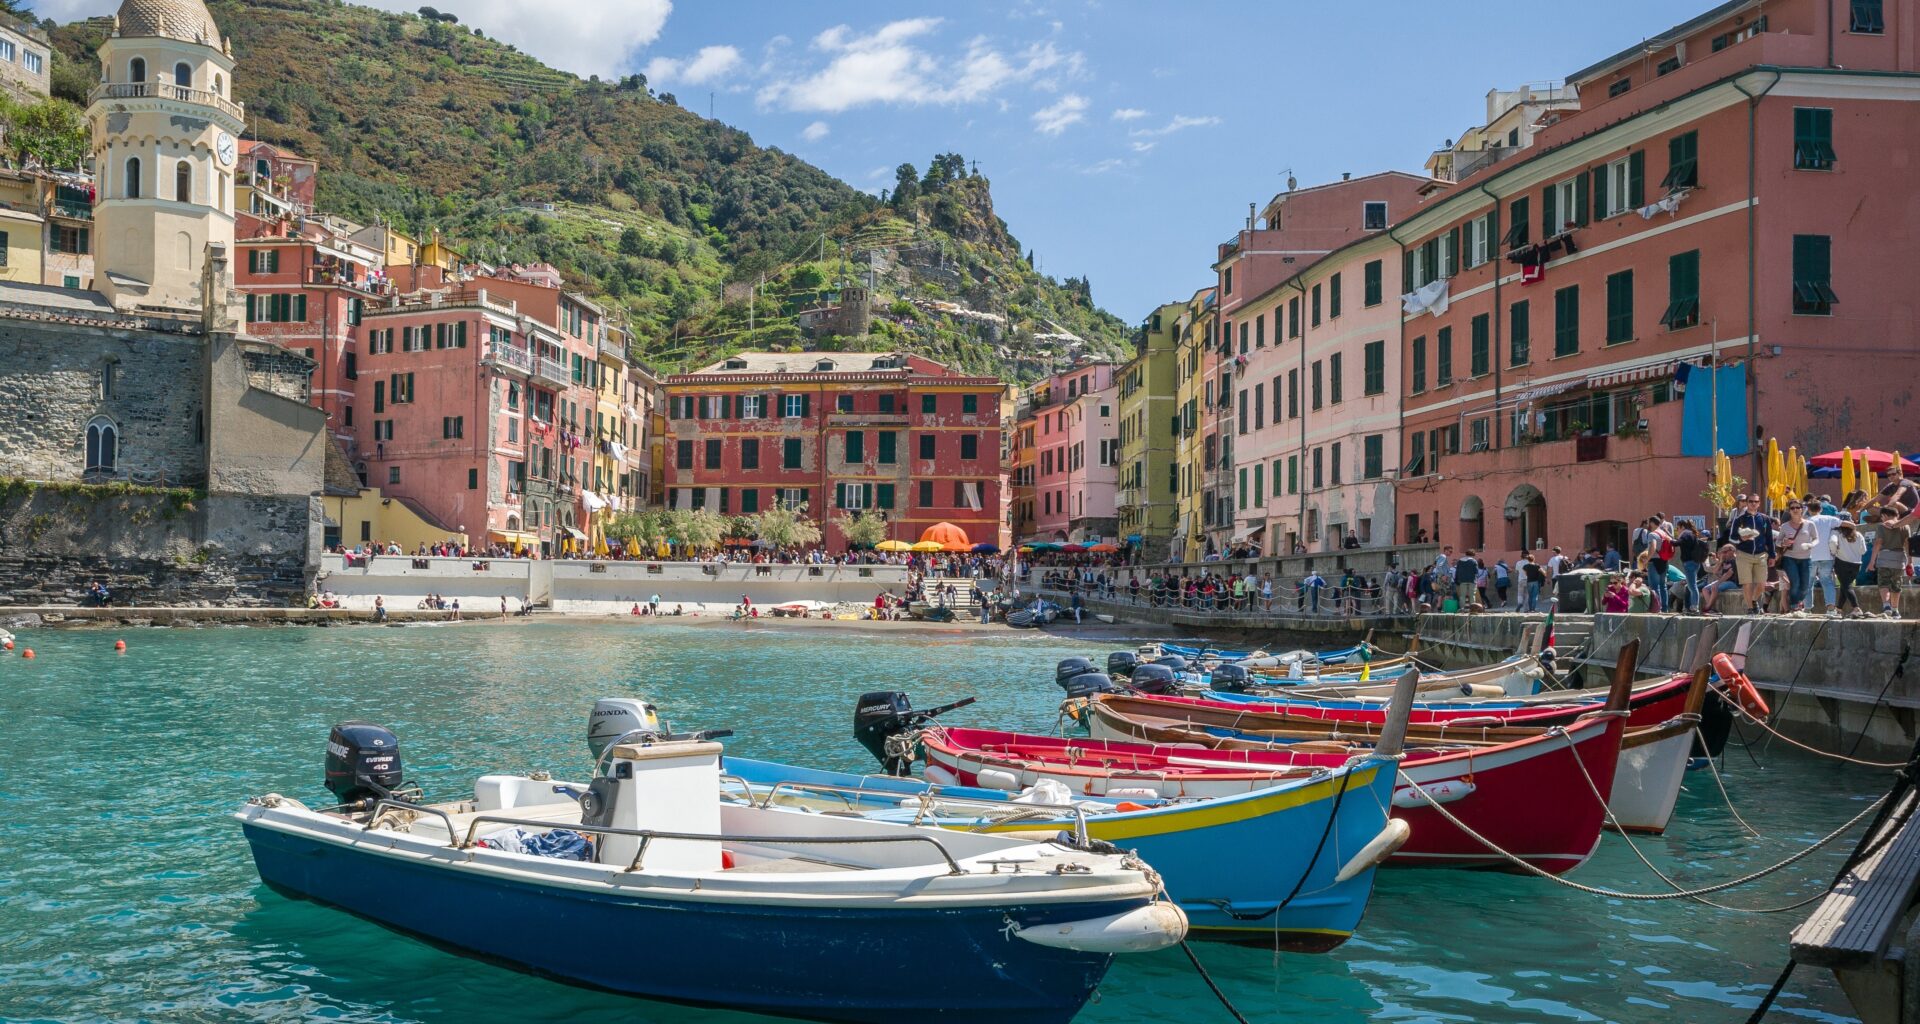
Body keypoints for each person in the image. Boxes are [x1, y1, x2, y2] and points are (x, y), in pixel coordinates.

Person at [1724, 494, 1777, 614]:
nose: (1753, 503)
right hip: (1743, 554)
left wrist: (1772, 555)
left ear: (1759, 503)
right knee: (1747, 583)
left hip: (1761, 554)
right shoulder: (1739, 519)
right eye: (1751, 501)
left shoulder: (1764, 519)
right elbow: (1732, 538)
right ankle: (1750, 608)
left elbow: (1769, 538)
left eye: (1756, 501)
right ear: (1747, 503)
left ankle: (1753, 600)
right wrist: (1742, 539)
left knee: (1762, 583)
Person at [1776, 502, 1820, 613]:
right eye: (1792, 508)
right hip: (1789, 558)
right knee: (1794, 582)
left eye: (1797, 507)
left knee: (1805, 585)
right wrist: (1784, 543)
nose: (1795, 509)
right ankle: (1794, 606)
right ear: (1789, 510)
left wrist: (1811, 545)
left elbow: (1816, 539)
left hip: (1806, 558)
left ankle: (1797, 601)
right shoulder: (1785, 526)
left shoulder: (1810, 524)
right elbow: (1778, 542)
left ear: (1802, 509)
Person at [1875, 504, 1911, 618]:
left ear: (1885, 515)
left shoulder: (1881, 527)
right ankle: (1895, 610)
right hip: (1899, 559)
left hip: (1884, 558)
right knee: (1897, 585)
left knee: (1883, 583)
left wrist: (1872, 561)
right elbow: (1907, 545)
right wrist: (1909, 561)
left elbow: (1878, 543)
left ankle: (1886, 606)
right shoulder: (1906, 526)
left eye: (1882, 516)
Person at [1831, 520, 1868, 617]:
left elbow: (1832, 544)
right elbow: (1863, 551)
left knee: (1847, 586)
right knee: (1845, 586)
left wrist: (1834, 552)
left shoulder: (1838, 534)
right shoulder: (1858, 534)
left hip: (1841, 563)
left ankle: (1856, 608)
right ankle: (1838, 609)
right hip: (1856, 564)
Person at [1676, 522, 1708, 613]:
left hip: (1689, 563)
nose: (1677, 531)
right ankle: (1691, 607)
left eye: (1677, 528)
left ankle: (1694, 607)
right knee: (1690, 586)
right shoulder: (1692, 535)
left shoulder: (1686, 534)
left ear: (1682, 527)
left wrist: (1668, 539)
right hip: (1694, 563)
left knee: (1692, 586)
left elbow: (1677, 543)